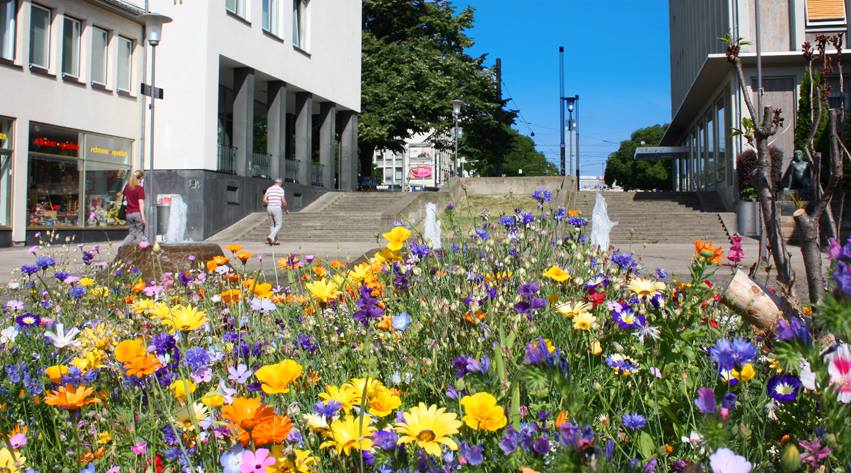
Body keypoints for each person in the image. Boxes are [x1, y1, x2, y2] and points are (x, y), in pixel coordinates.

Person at [262, 178, 289, 245]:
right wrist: (286, 209)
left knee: (272, 225)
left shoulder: (269, 189)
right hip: (276, 208)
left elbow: (264, 200)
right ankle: (271, 236)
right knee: (279, 224)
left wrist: (270, 202)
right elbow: (283, 200)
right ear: (280, 183)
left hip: (269, 208)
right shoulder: (280, 189)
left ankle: (274, 240)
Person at [122, 170, 146, 244]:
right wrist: (143, 216)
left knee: (132, 233)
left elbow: (125, 198)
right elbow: (141, 203)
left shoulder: (127, 188)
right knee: (139, 232)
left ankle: (122, 246)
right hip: (137, 213)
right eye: (142, 179)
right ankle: (139, 250)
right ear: (140, 179)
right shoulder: (139, 189)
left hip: (129, 214)